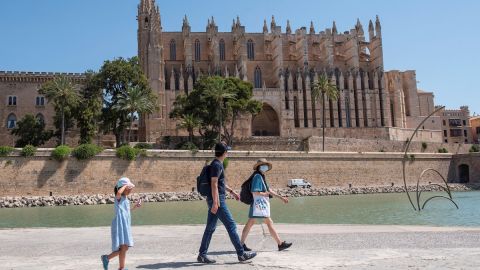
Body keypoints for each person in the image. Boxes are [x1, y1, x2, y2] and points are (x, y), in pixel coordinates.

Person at [198, 142, 257, 263]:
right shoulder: (217, 165)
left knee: (210, 228)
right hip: (218, 199)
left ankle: (202, 255)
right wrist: (215, 203)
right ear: (224, 152)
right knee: (231, 225)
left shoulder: (216, 164)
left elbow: (220, 183)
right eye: (227, 151)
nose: (228, 153)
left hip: (215, 198)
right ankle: (241, 254)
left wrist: (232, 192)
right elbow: (214, 183)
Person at [241, 159, 292, 251]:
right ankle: (280, 244)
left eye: (266, 165)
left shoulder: (261, 176)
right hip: (258, 204)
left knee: (252, 223)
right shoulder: (257, 176)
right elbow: (254, 191)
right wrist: (264, 194)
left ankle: (240, 245)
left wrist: (281, 197)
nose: (266, 167)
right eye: (264, 165)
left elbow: (269, 190)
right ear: (259, 166)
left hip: (257, 205)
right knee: (263, 222)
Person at [101, 177, 142, 270]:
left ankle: (118, 266)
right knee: (123, 247)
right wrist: (124, 186)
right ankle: (107, 258)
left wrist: (135, 207)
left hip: (125, 225)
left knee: (125, 247)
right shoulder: (118, 198)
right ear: (123, 188)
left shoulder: (126, 199)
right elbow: (119, 193)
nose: (130, 190)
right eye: (129, 188)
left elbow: (127, 211)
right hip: (119, 225)